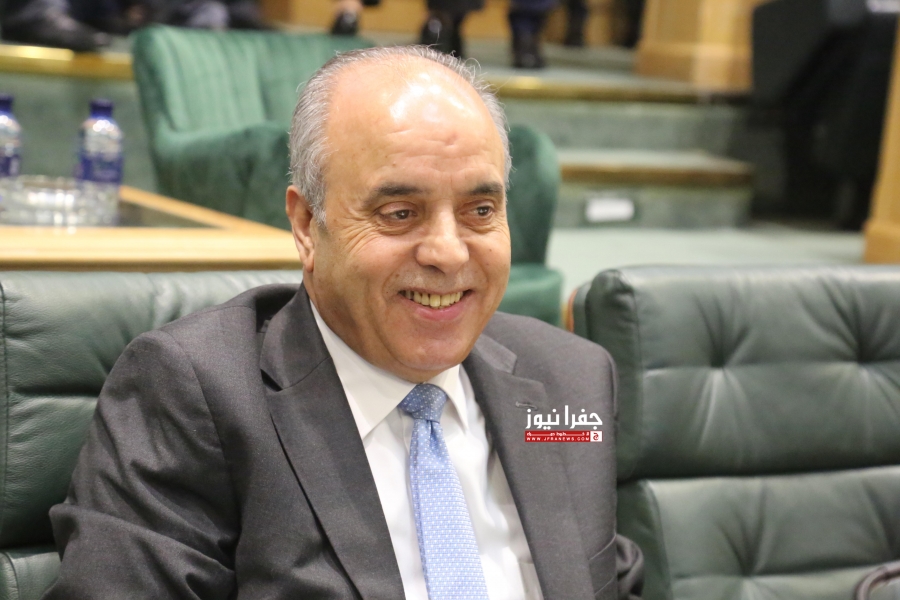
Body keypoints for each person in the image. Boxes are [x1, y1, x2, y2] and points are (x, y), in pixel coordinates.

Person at [42, 45, 643, 599]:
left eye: (480, 210)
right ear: (307, 226)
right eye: (400, 213)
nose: (448, 251)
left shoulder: (568, 382)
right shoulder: (196, 394)